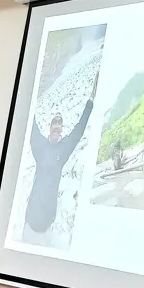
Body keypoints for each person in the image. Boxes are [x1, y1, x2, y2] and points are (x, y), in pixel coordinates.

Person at [23, 74, 99, 247]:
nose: (57, 126)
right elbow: (31, 124)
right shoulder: (39, 146)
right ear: (49, 128)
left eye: (60, 124)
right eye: (54, 124)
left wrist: (90, 103)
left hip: (47, 227)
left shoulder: (63, 150)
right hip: (30, 223)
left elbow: (78, 131)